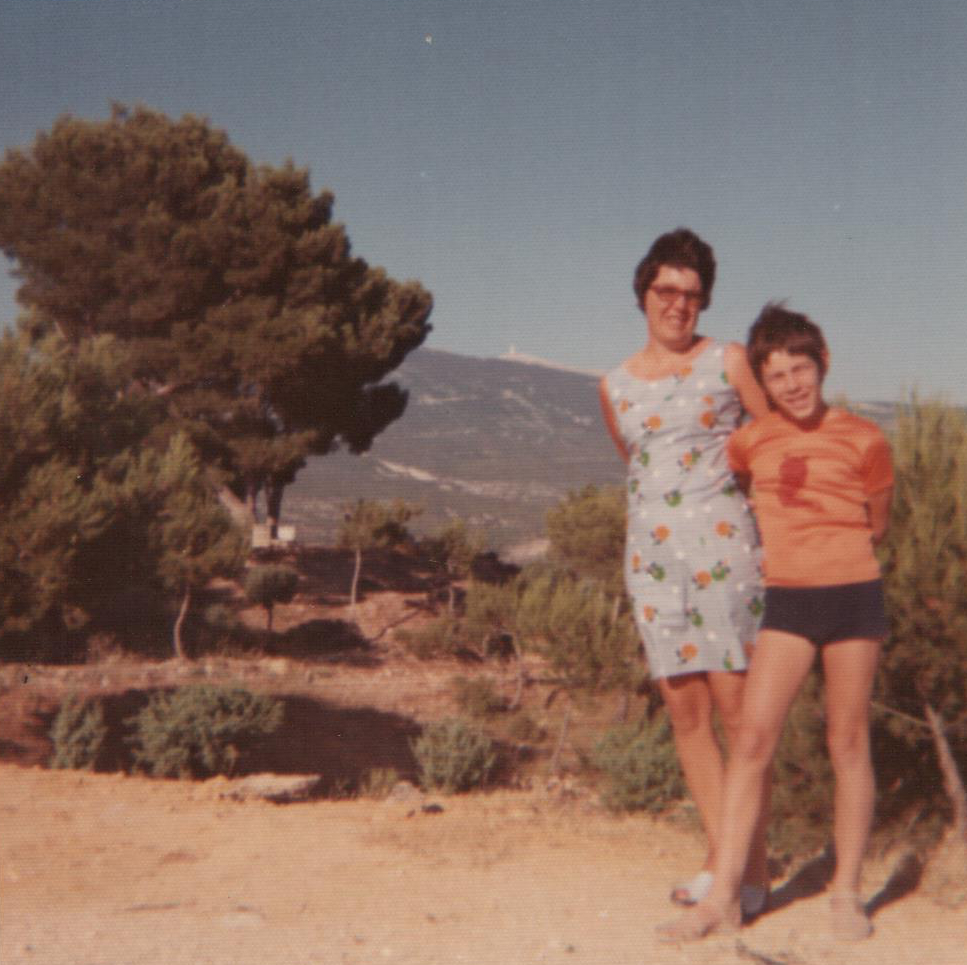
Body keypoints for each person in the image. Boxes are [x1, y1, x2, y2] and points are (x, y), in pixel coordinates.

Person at [659, 303, 894, 942]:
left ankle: (847, 893)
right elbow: (739, 486)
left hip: (853, 598)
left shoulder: (865, 439)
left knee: (848, 742)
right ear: (762, 383)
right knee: (753, 740)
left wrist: (831, 549)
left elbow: (877, 522)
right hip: (788, 603)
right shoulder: (751, 440)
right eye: (777, 375)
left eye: (801, 368)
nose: (792, 384)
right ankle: (723, 898)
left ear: (823, 363)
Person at [599, 228, 771, 913]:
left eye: (692, 294)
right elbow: (640, 465)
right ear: (643, 293)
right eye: (666, 290)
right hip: (652, 564)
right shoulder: (612, 385)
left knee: (737, 712)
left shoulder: (727, 360)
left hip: (725, 559)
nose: (678, 304)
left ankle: (752, 870)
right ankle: (719, 860)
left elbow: (773, 444)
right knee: (685, 713)